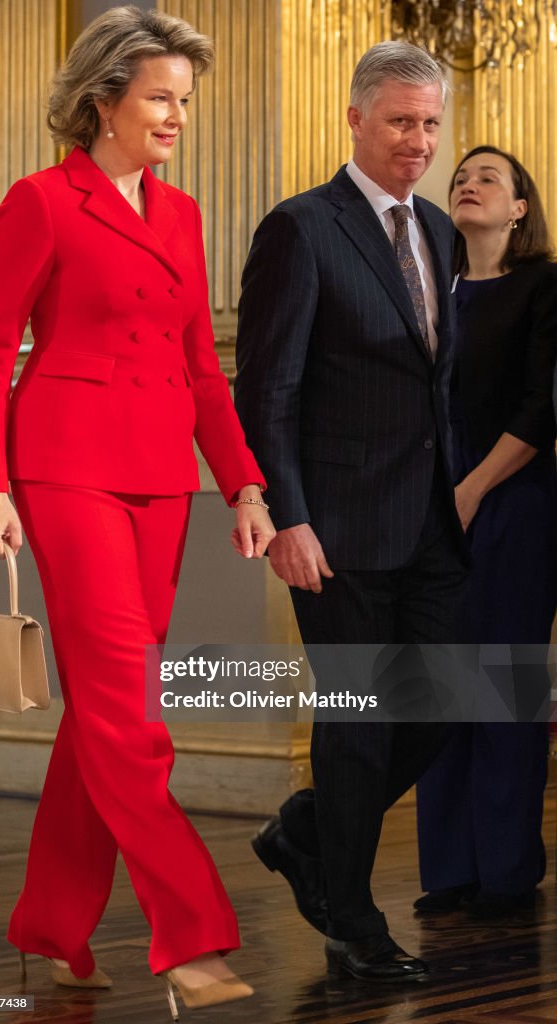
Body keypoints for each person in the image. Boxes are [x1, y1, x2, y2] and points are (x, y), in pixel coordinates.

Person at [0, 6, 274, 1016]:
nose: (178, 115)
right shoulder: (40, 202)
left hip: (160, 486)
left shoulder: (181, 218)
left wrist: (244, 483)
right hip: (62, 475)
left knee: (103, 713)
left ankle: (52, 924)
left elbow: (200, 369)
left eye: (186, 100)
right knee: (132, 714)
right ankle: (192, 935)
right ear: (104, 99)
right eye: (159, 98)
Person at [234, 40, 469, 983]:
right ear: (356, 120)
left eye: (429, 124)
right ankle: (353, 921)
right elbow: (267, 391)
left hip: (427, 522)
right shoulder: (300, 227)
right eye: (401, 121)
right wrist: (286, 513)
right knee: (358, 718)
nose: (418, 141)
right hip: (332, 526)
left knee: (454, 699)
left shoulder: (439, 234)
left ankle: (303, 831)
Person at [414, 147, 557, 919]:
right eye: (460, 177)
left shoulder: (544, 286)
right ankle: (448, 870)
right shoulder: (429, 288)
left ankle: (504, 872)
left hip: (513, 499)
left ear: (517, 209)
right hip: (432, 506)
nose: (467, 185)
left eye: (487, 179)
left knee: (503, 688)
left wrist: (469, 489)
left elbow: (541, 408)